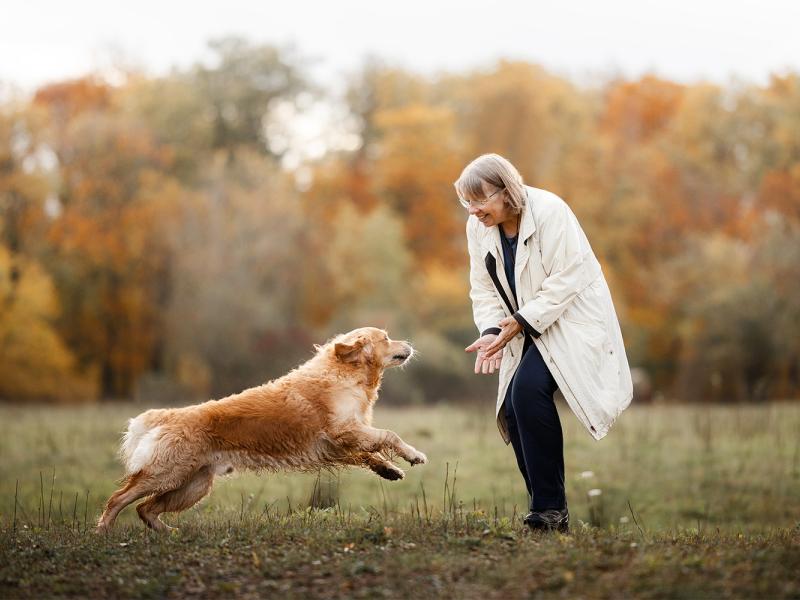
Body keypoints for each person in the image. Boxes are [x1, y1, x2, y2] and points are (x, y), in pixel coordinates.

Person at [457, 153, 632, 532]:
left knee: (527, 392)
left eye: (480, 200)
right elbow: (482, 287)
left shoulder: (551, 211)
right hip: (522, 326)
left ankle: (548, 509)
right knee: (514, 410)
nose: (473, 210)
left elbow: (568, 279)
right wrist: (490, 331)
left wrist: (519, 322)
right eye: (466, 202)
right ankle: (550, 510)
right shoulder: (479, 228)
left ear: (507, 191)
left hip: (571, 319)